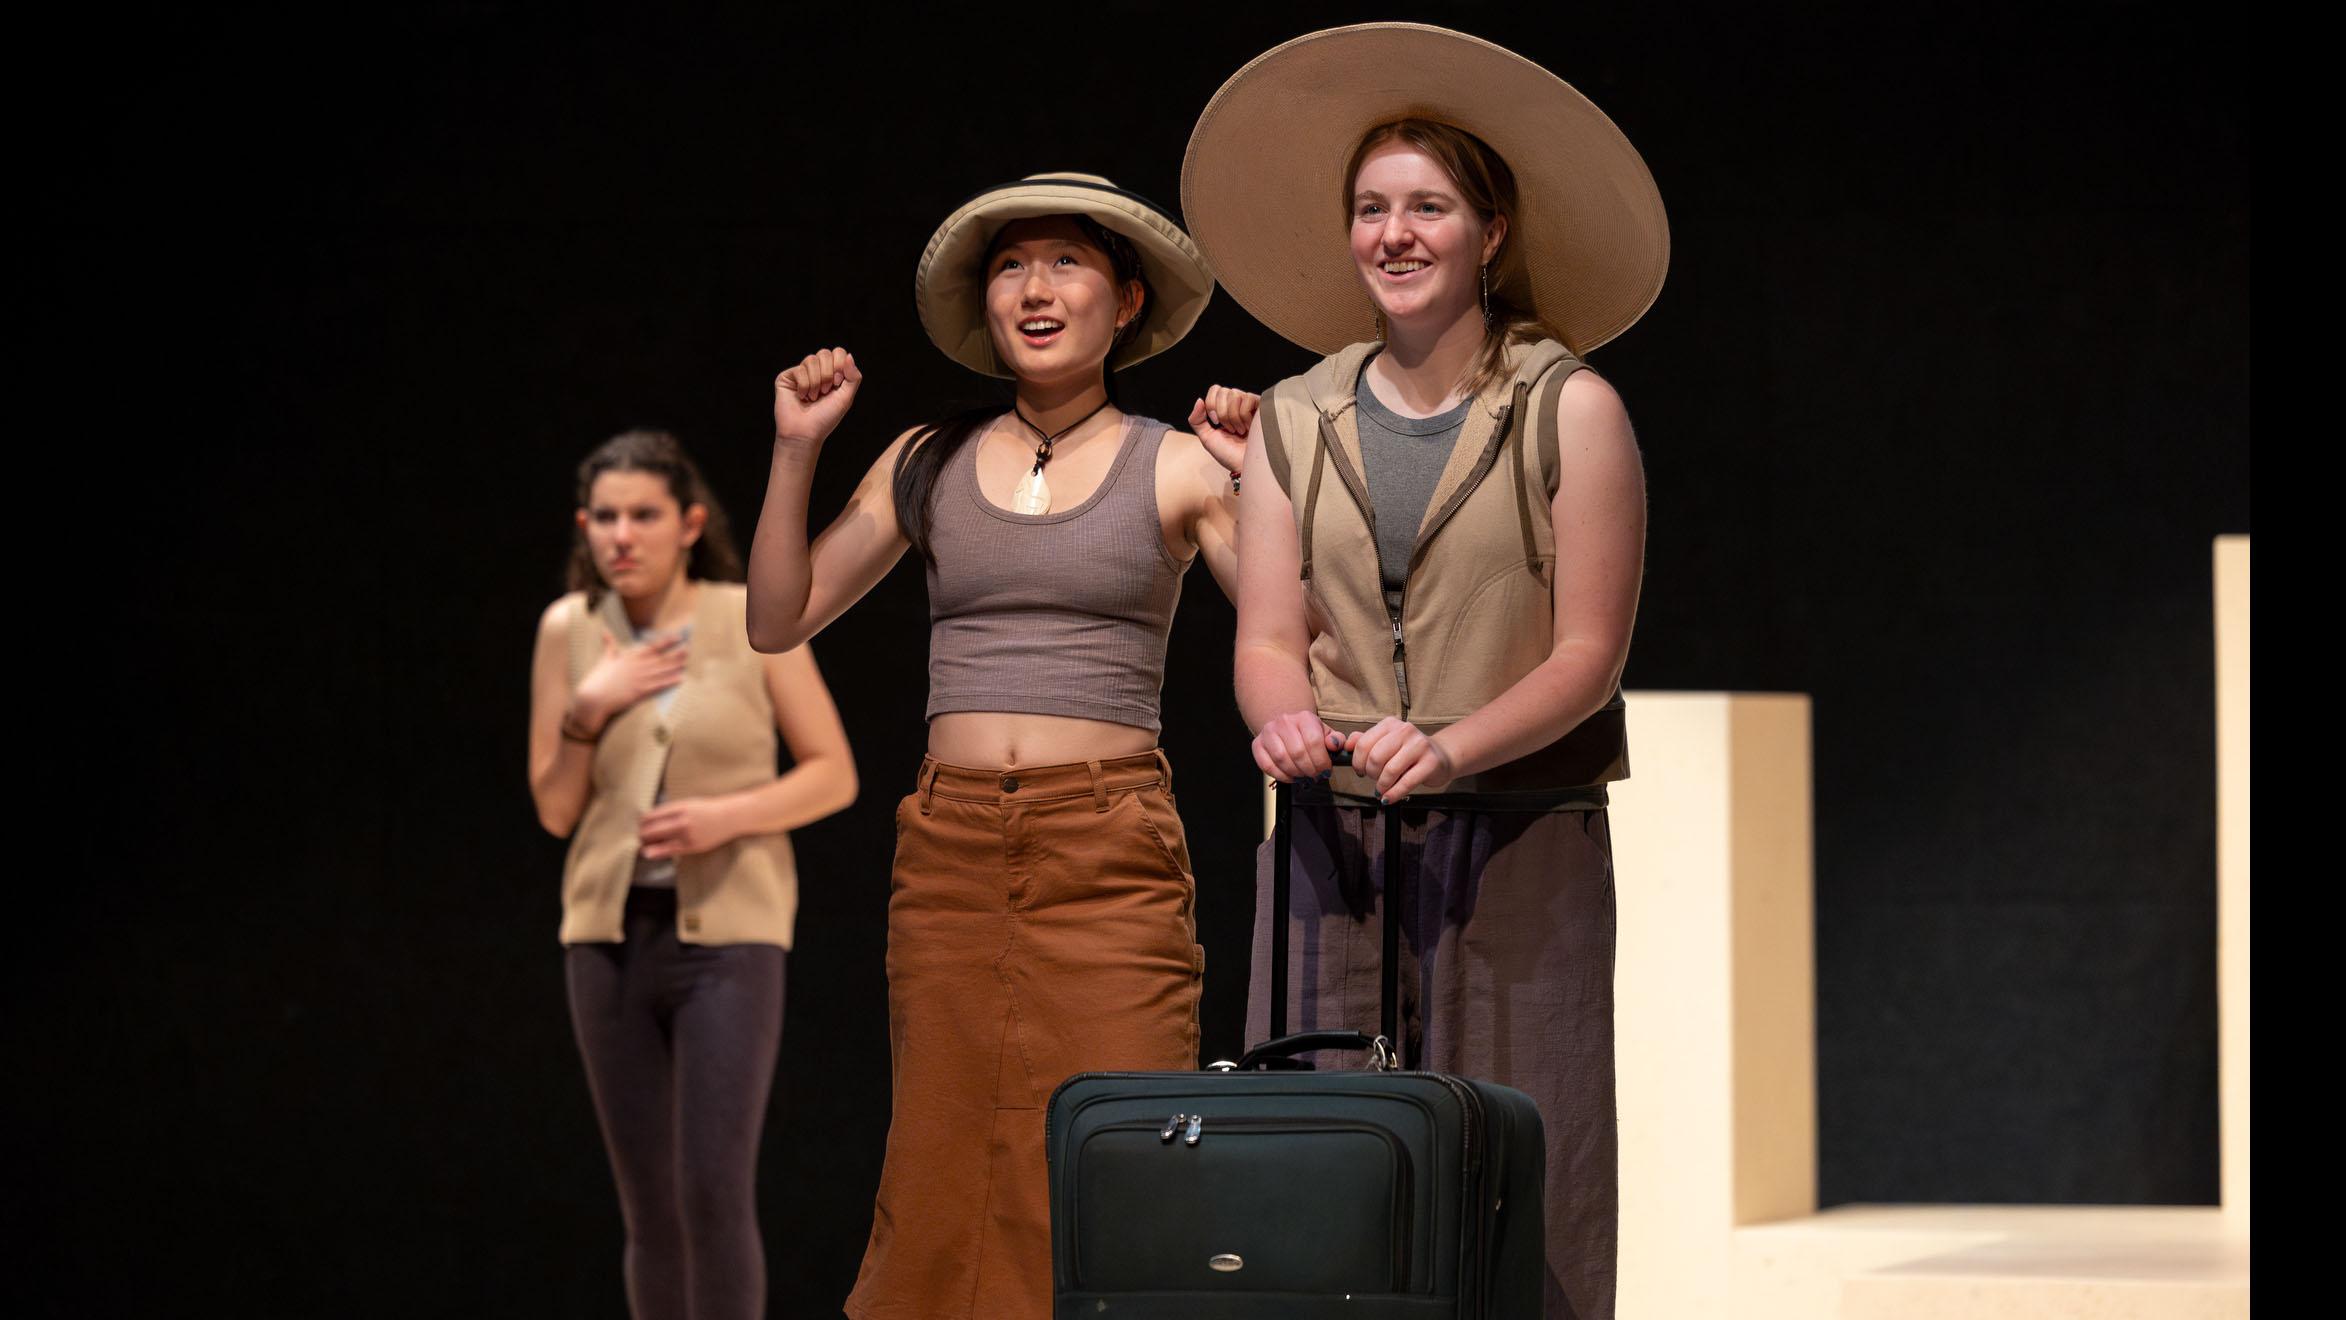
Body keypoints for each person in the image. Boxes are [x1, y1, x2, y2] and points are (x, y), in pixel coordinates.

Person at [1185, 23, 1667, 1319]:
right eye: (1369, 210)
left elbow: (1587, 653)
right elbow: (1270, 636)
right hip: (1331, 845)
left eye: (1426, 208)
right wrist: (1283, 724)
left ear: (1488, 230)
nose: (1393, 235)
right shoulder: (1298, 414)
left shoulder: (1567, 407)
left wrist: (1452, 746)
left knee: (1530, 1162)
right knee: (1328, 1176)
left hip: (1517, 840)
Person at [743, 173, 1255, 1320]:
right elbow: (777, 617)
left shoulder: (1174, 462)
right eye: (1011, 266)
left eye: (1065, 263)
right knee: (939, 1161)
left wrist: (1265, 479)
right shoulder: (925, 459)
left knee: (1119, 1152)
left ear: (1125, 301)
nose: (1035, 289)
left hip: (1107, 850)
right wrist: (795, 450)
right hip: (955, 849)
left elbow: (1303, 643)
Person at [526, 429, 858, 1320]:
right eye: (604, 517)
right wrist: (589, 711)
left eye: (643, 515)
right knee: (650, 1206)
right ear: (582, 528)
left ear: (689, 524)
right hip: (607, 936)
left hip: (729, 937)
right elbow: (556, 811)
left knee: (713, 1189)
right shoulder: (569, 630)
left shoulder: (750, 618)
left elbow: (834, 771)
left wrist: (724, 816)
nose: (620, 536)